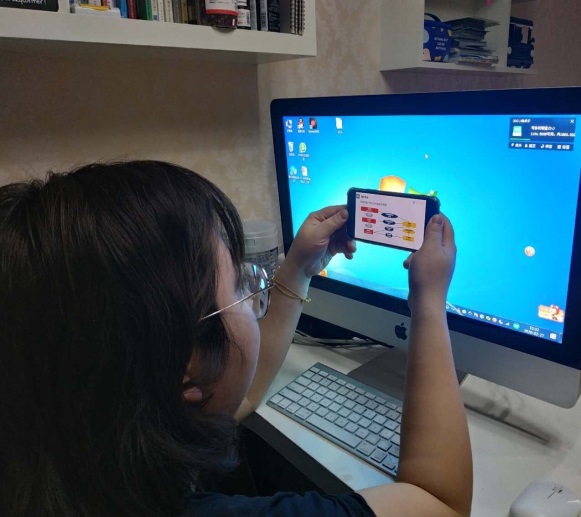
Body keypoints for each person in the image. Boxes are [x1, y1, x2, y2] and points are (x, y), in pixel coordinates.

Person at [0, 161, 472, 517]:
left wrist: (298, 268)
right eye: (240, 286)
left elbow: (234, 394)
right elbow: (438, 502)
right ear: (186, 368)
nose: (254, 291)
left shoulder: (70, 440)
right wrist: (429, 304)